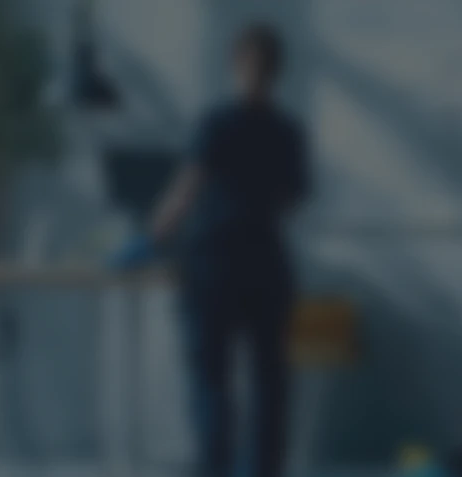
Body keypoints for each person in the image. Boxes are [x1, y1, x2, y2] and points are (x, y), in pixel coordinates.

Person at [114, 23, 309, 477]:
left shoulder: (218, 122)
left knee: (211, 381)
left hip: (214, 264)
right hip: (266, 262)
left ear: (237, 63)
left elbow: (184, 192)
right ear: (279, 70)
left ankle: (215, 468)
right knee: (269, 384)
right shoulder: (288, 130)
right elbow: (291, 199)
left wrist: (148, 240)